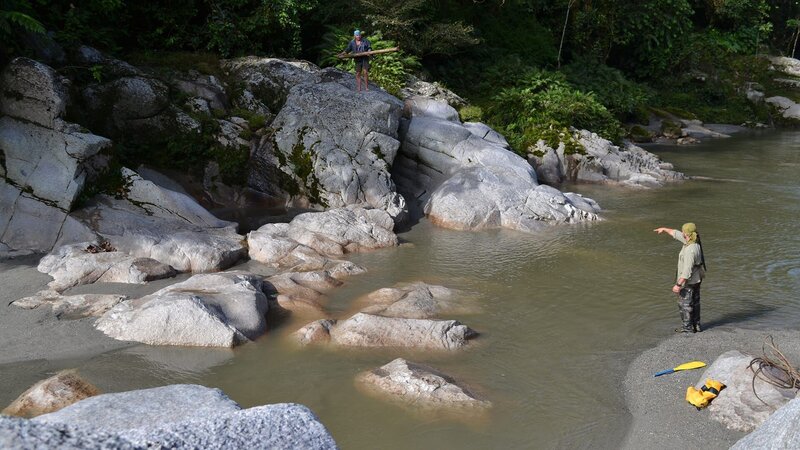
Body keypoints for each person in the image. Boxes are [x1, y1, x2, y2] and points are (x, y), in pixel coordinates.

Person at [654, 223, 706, 333]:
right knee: (695, 302)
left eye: (683, 232)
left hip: (689, 280)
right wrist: (664, 229)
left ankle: (687, 327)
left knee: (685, 304)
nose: (681, 233)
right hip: (697, 278)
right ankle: (697, 325)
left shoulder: (690, 250)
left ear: (686, 234)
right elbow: (675, 233)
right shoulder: (694, 241)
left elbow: (687, 271)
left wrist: (678, 285)